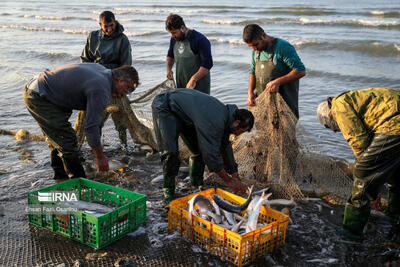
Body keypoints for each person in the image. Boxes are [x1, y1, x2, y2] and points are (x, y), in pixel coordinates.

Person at [24, 63, 139, 180]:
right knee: (67, 140)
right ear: (120, 81)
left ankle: (61, 178)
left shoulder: (103, 72)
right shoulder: (101, 89)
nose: (127, 93)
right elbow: (91, 127)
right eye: (129, 88)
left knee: (57, 139)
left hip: (41, 87)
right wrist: (100, 157)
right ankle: (77, 183)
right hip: (40, 96)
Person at [317, 87, 400, 241]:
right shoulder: (350, 99)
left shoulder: (338, 107)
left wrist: (371, 186)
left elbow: (360, 143)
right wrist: (375, 181)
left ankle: (351, 232)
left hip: (394, 125)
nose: (337, 131)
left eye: (333, 128)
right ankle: (395, 213)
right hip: (393, 119)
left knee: (362, 171)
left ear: (329, 117)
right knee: (396, 171)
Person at [152, 89, 254, 202]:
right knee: (171, 153)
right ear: (237, 123)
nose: (237, 134)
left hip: (185, 115)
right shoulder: (216, 121)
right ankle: (168, 190)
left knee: (199, 151)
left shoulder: (226, 119)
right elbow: (210, 155)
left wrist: (234, 174)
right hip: (165, 106)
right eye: (242, 131)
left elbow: (225, 147)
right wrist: (228, 181)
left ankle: (196, 184)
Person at [81, 10, 132, 148]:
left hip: (115, 83)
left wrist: (120, 85)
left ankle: (124, 145)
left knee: (120, 119)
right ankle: (96, 146)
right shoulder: (93, 37)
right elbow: (86, 60)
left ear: (115, 22)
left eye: (111, 25)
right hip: (96, 83)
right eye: (106, 27)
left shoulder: (123, 40)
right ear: (100, 25)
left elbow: (126, 65)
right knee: (94, 119)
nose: (109, 29)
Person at [242, 24, 305, 118]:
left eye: (255, 44)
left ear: (263, 35)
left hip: (284, 106)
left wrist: (278, 82)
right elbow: (252, 72)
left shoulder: (283, 47)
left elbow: (300, 71)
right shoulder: (256, 51)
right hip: (263, 105)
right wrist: (250, 92)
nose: (254, 49)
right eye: (250, 46)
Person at [165, 14, 213, 95]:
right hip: (181, 85)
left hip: (199, 88)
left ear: (182, 28)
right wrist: (169, 69)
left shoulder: (200, 40)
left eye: (174, 33)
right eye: (171, 33)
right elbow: (170, 56)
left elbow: (208, 64)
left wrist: (193, 79)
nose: (172, 36)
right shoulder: (173, 39)